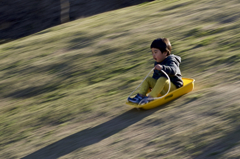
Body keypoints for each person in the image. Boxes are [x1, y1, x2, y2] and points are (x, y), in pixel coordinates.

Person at [128, 38, 183, 104]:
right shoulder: (157, 62)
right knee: (148, 79)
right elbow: (156, 75)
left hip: (174, 87)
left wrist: (162, 67)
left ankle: (150, 98)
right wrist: (151, 85)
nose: (153, 55)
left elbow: (174, 71)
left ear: (165, 53)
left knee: (162, 79)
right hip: (162, 88)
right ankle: (140, 97)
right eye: (152, 52)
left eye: (155, 52)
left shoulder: (171, 60)